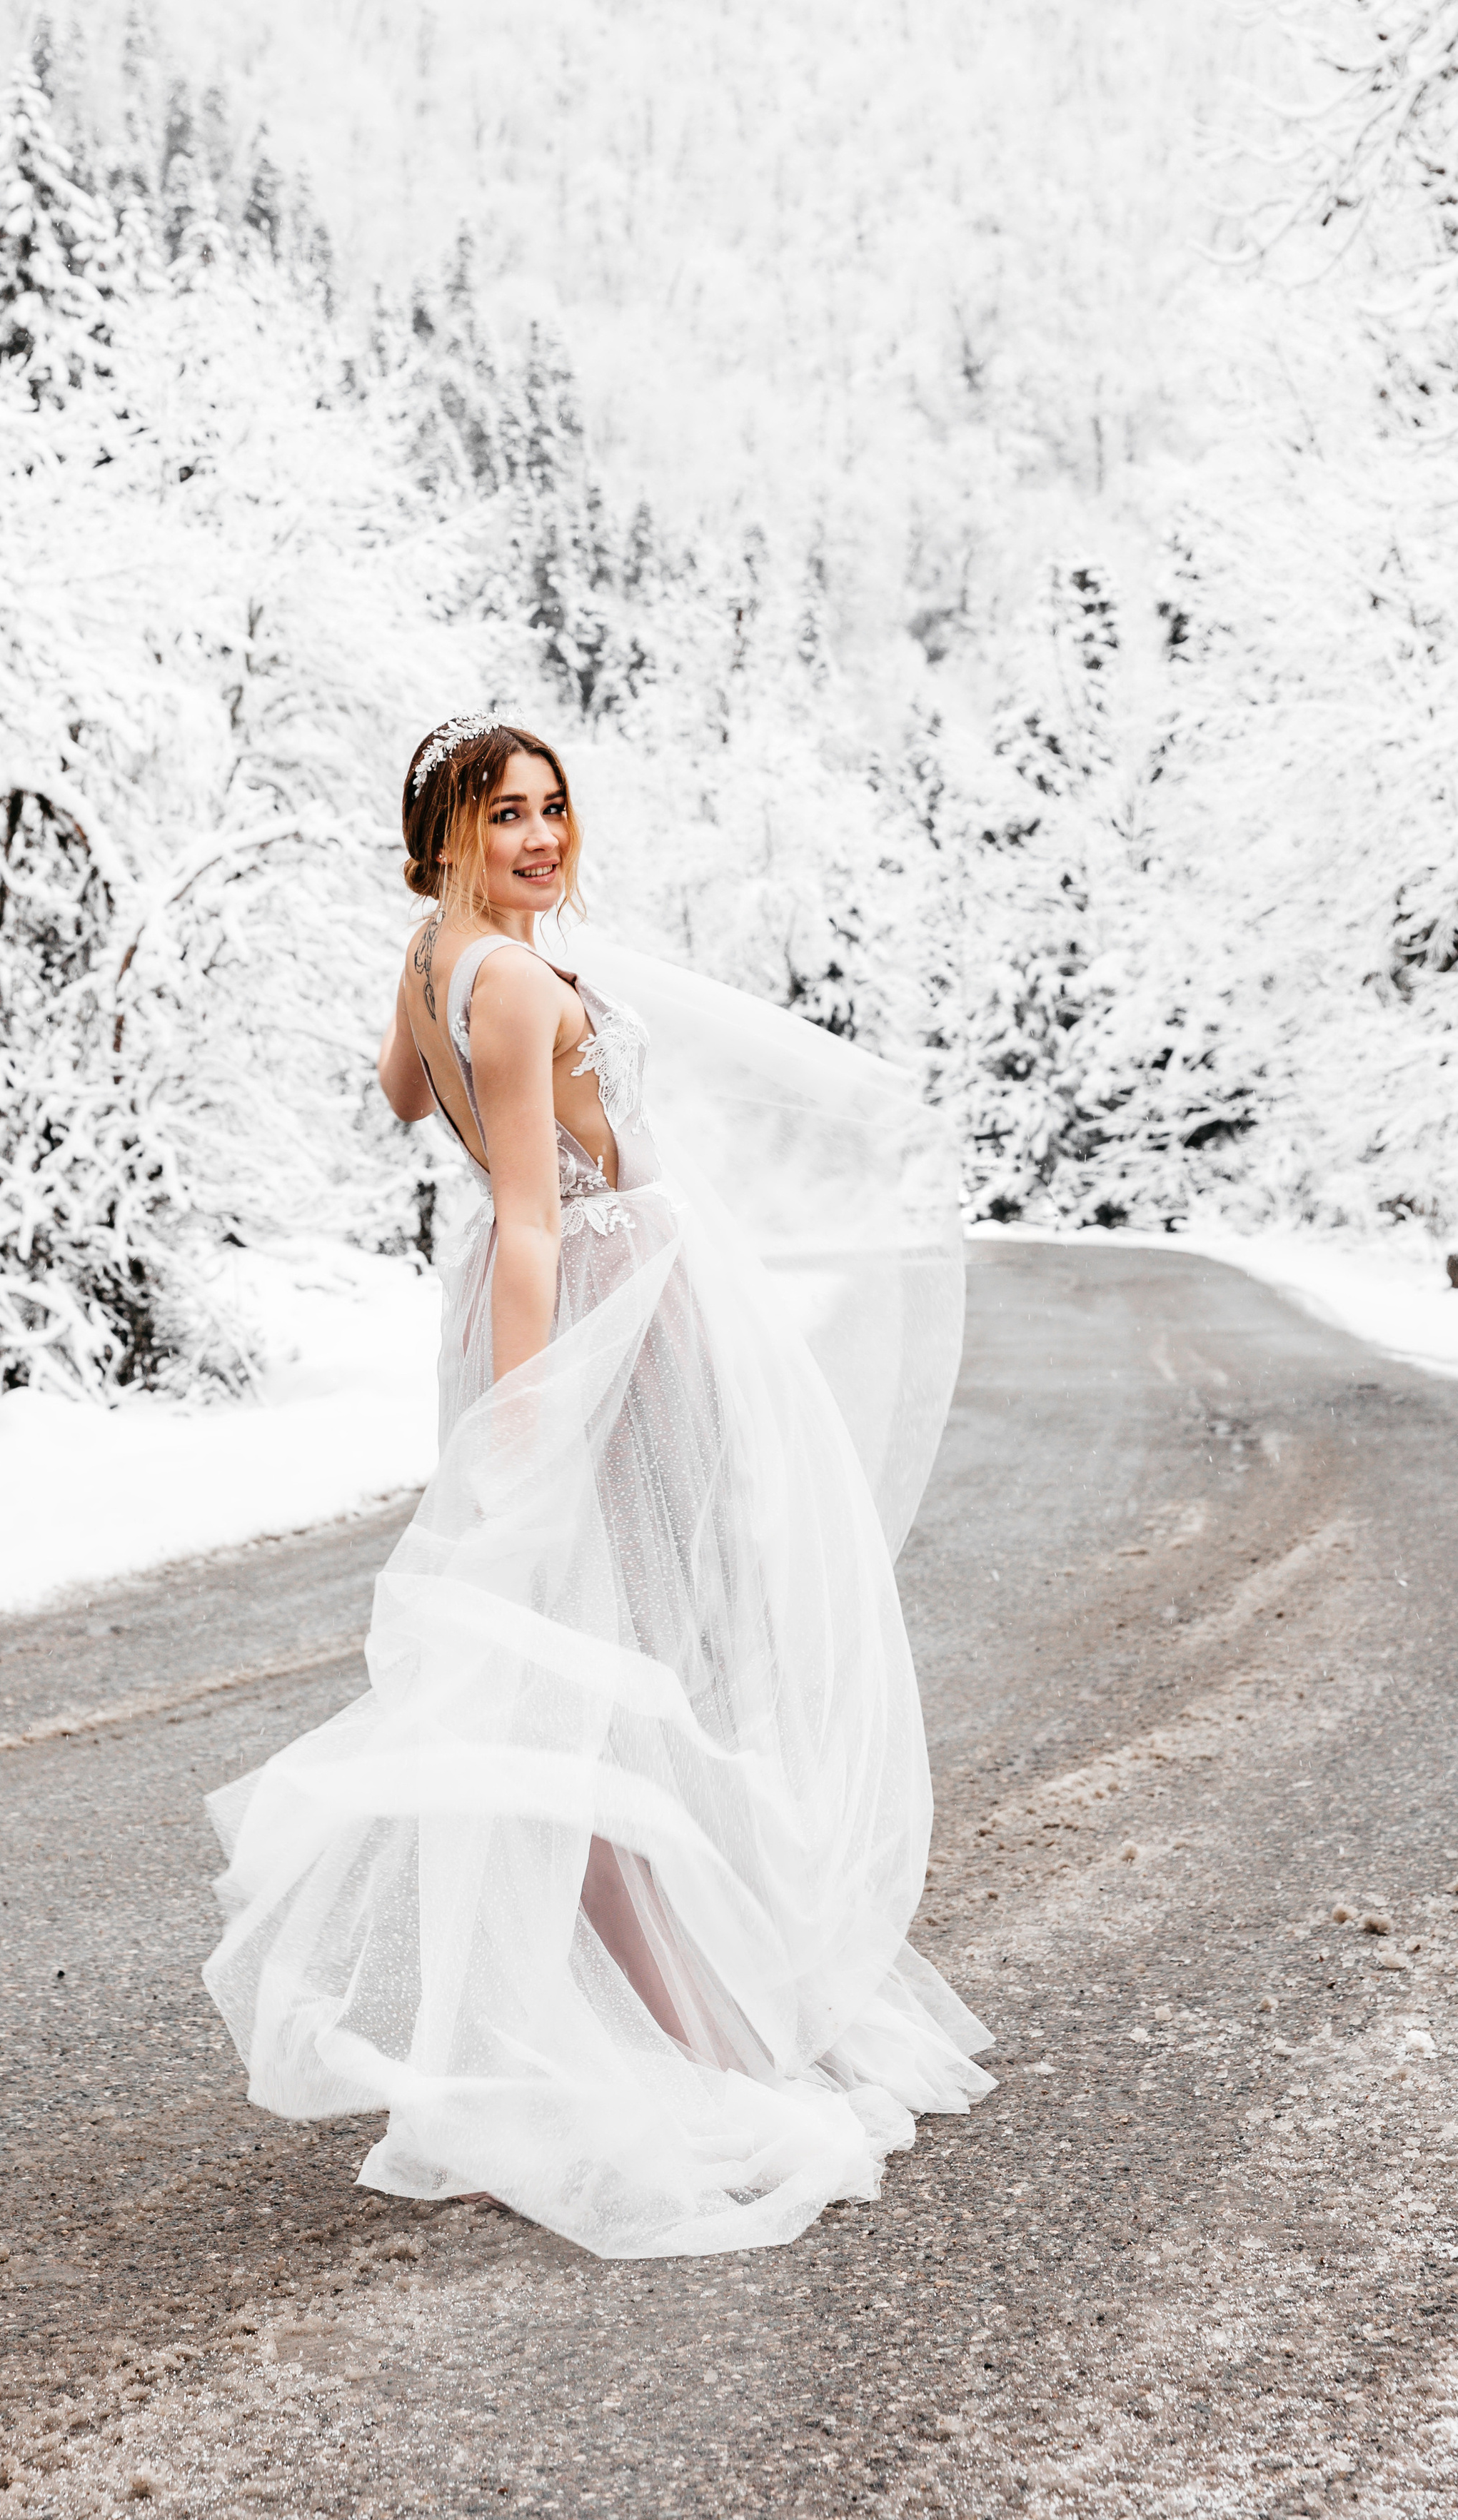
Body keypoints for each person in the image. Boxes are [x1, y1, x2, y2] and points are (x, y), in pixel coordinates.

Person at [202, 716, 992, 2259]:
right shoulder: (500, 976)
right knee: (611, 1655)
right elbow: (526, 1219)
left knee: (601, 1653)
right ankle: (686, 2034)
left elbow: (392, 1098)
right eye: (506, 817)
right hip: (595, 1321)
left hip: (564, 1303)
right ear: (443, 829)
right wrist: (527, 1429)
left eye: (554, 810)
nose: (543, 840)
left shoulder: (440, 956)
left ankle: (669, 2000)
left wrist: (513, 1028)